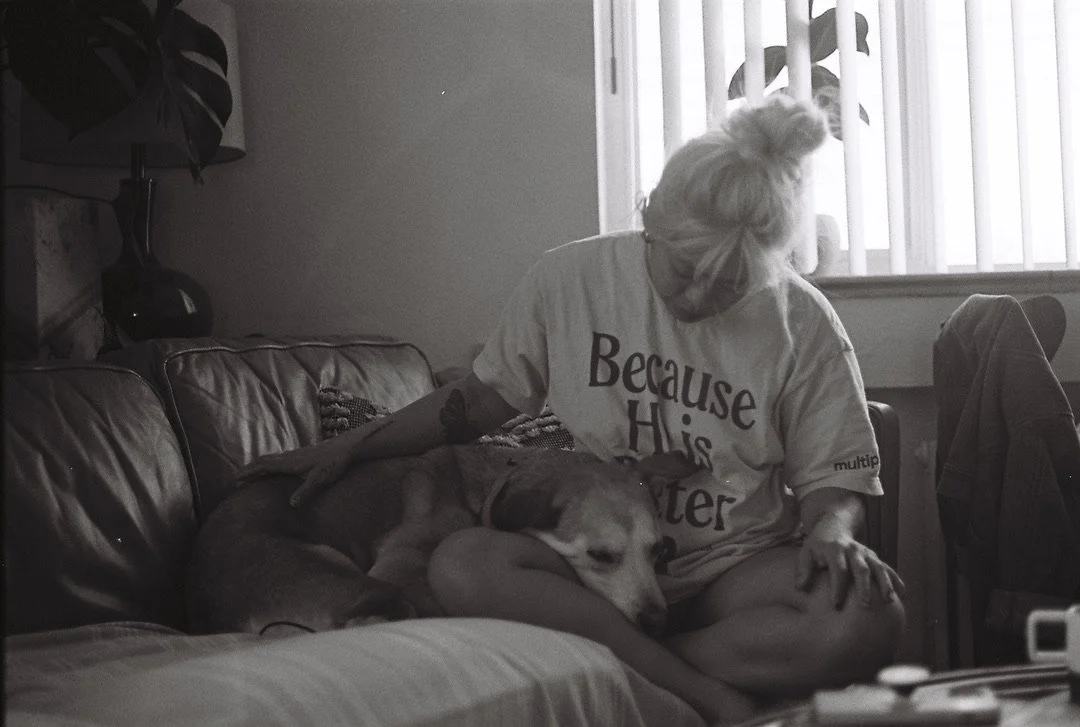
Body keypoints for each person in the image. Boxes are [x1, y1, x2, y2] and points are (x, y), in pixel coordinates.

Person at [238, 94, 906, 725]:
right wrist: (351, 444)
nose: (699, 297)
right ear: (650, 220)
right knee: (462, 562)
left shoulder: (803, 323)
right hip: (585, 574)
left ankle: (640, 663)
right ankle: (708, 689)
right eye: (684, 270)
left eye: (730, 284)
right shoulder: (569, 280)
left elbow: (832, 478)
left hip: (733, 566)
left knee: (870, 616)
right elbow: (477, 400)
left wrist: (832, 532)